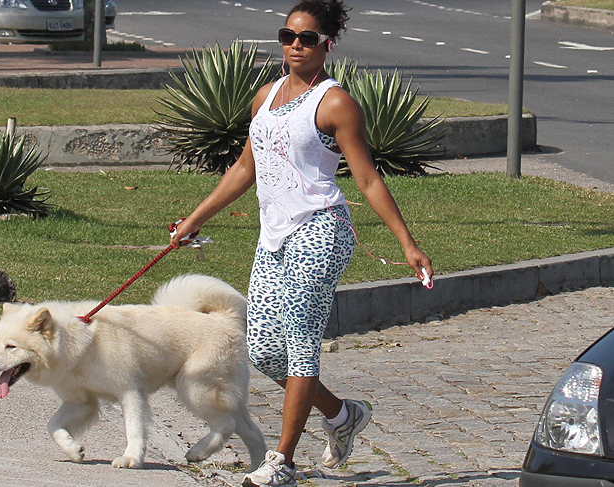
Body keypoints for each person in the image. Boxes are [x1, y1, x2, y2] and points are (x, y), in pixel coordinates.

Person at [170, 1, 433, 485]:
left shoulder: (335, 104)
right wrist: (195, 217)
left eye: (307, 38)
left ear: (327, 44)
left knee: (301, 347)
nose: (295, 45)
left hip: (320, 231)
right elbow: (246, 168)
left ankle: (282, 462)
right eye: (288, 35)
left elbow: (368, 180)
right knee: (266, 351)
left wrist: (408, 243)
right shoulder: (265, 97)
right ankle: (341, 415)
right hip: (273, 237)